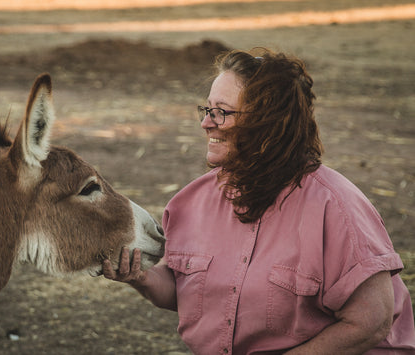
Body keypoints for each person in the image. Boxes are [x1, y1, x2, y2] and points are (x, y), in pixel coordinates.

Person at [102, 48, 415, 354]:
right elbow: (183, 291)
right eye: (207, 110)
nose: (206, 123)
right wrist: (140, 277)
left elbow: (371, 323)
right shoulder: (191, 203)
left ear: (269, 123)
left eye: (221, 112)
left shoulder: (336, 207)